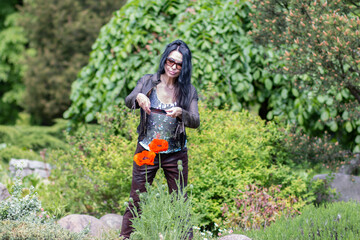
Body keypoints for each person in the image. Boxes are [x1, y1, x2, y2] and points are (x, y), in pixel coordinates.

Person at [120, 39, 200, 239]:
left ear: (185, 66)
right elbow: (128, 101)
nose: (173, 67)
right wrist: (139, 96)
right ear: (165, 59)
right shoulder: (148, 80)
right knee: (136, 199)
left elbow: (195, 121)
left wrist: (182, 112)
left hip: (176, 154)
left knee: (179, 200)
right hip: (147, 150)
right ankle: (125, 237)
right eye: (170, 61)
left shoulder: (188, 91)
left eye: (179, 64)